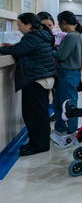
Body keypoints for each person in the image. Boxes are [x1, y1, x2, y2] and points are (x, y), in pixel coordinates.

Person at [0, 13, 57, 156]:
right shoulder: (42, 35)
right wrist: (13, 46)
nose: (18, 28)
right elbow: (22, 48)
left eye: (19, 25)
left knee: (34, 115)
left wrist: (5, 48)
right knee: (40, 114)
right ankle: (39, 143)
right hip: (43, 78)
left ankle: (38, 145)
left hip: (35, 80)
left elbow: (17, 51)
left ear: (29, 25)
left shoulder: (32, 37)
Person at [52, 11, 82, 139]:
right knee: (59, 103)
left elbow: (61, 55)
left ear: (63, 22)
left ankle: (71, 130)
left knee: (68, 104)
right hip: (68, 73)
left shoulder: (71, 36)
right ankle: (61, 127)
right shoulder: (76, 35)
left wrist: (48, 50)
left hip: (68, 74)